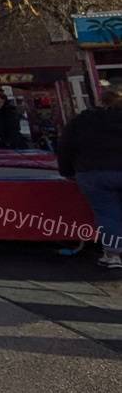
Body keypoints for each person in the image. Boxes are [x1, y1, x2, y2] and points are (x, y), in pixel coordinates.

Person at [57, 87, 122, 269]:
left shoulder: (83, 120)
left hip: (92, 171)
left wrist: (67, 171)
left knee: (107, 213)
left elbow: (65, 146)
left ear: (100, 101)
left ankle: (113, 254)